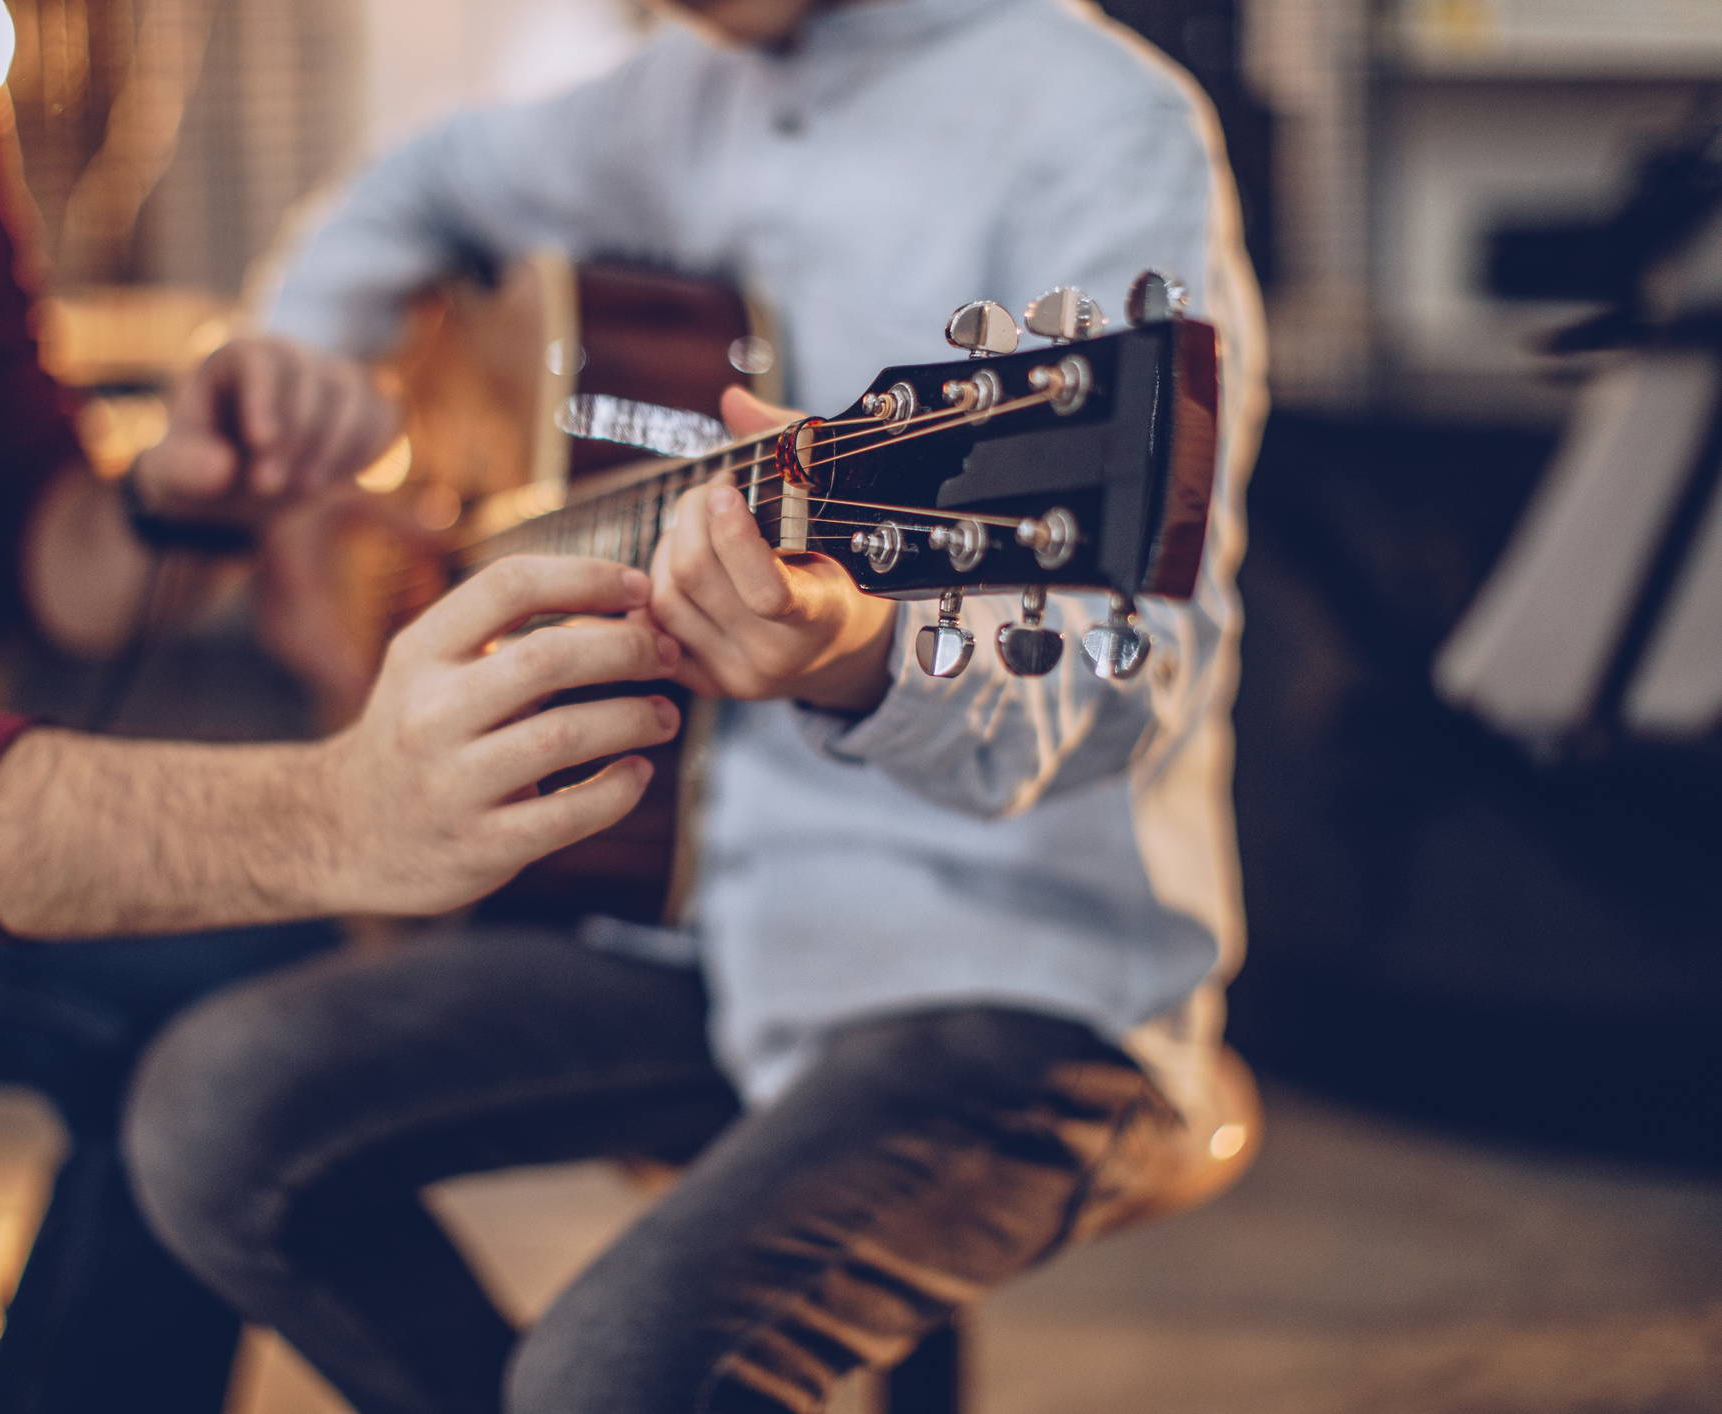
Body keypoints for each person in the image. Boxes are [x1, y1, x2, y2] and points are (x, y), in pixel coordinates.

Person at [123, 0, 1269, 1411]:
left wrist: (858, 652)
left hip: (1016, 978)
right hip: (704, 925)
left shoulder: (1098, 121)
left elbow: (1121, 677)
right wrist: (309, 353)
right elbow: (415, 183)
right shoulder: (667, 97)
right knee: (212, 1111)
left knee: (609, 1379)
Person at [0, 2, 683, 1411]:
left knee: (235, 982)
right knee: (235, 951)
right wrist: (336, 813)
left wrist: (187, 498)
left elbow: (43, 544)